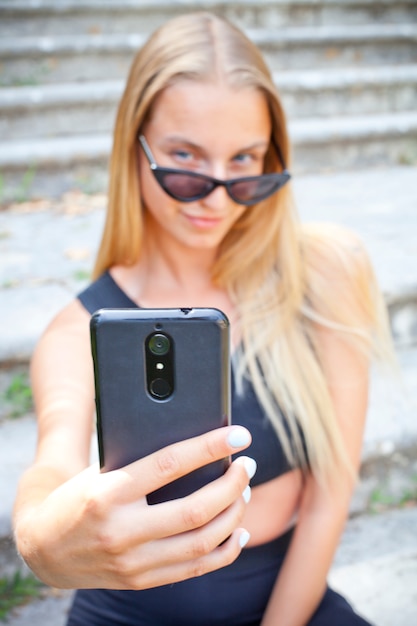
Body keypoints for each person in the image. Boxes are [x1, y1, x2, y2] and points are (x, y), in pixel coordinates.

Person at [13, 11, 393, 626]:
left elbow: (330, 496)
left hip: (290, 604)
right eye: (184, 158)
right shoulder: (77, 329)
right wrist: (37, 540)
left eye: (244, 161)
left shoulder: (324, 270)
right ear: (133, 148)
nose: (216, 197)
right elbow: (51, 466)